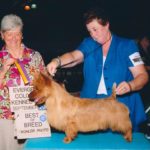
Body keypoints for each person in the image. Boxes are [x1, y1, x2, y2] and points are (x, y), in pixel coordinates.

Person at [47, 8, 149, 132]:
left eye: (95, 29)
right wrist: (57, 61)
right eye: (89, 31)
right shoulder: (89, 43)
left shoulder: (127, 46)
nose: (93, 35)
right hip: (90, 111)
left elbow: (142, 75)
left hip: (118, 108)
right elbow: (74, 57)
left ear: (107, 25)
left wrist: (130, 85)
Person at [0, 14, 46, 150]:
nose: (14, 38)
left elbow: (46, 84)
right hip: (6, 117)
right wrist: (3, 70)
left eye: (17, 34)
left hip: (33, 115)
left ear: (22, 35)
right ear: (2, 35)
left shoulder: (34, 56)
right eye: (9, 34)